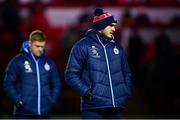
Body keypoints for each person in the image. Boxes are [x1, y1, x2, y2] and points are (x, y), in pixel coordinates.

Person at [65, 8, 132, 119]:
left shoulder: (118, 47)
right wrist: (87, 92)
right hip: (92, 107)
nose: (114, 29)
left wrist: (125, 92)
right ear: (101, 26)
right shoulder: (82, 46)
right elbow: (70, 75)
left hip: (116, 107)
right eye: (111, 25)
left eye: (114, 25)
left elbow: (127, 73)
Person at [3, 30, 61, 119]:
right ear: (30, 43)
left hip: (44, 112)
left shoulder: (49, 62)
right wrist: (17, 100)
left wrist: (51, 101)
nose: (40, 49)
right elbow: (8, 84)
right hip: (23, 113)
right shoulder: (18, 61)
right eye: (37, 46)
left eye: (42, 46)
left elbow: (56, 83)